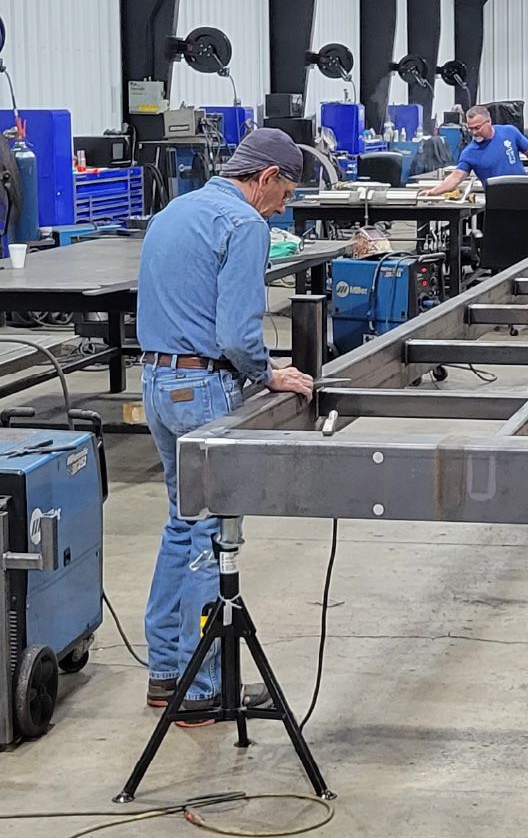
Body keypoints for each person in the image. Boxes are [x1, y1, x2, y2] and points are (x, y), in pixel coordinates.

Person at [137, 128, 315, 724]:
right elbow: (237, 336)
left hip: (158, 383)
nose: (283, 206)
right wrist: (270, 374)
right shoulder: (244, 226)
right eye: (285, 193)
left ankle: (166, 673)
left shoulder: (175, 210)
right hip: (201, 389)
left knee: (180, 522)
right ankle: (201, 686)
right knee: (212, 536)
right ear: (265, 177)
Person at [421, 104, 528, 196]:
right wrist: (434, 191)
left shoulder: (509, 132)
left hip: (524, 193)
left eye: (478, 127)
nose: (474, 132)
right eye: (471, 128)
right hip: (498, 199)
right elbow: (456, 177)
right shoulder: (469, 153)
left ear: (489, 121)